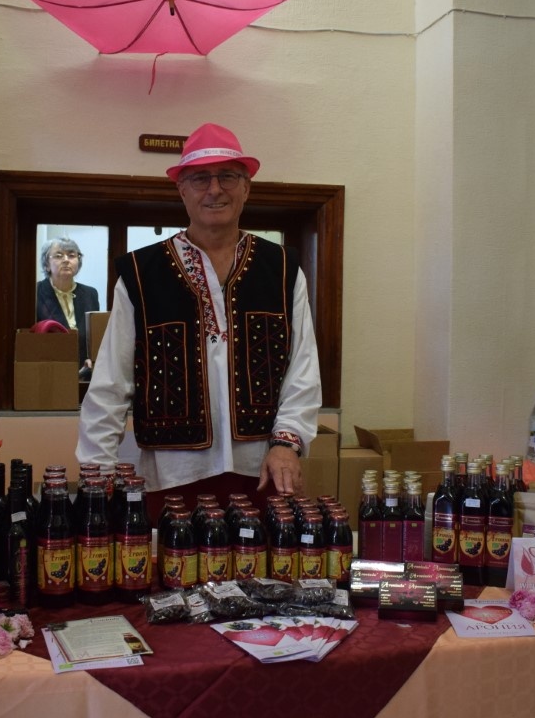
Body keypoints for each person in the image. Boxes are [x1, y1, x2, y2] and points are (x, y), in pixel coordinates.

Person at [77, 123, 321, 514]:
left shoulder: (283, 269)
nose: (215, 189)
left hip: (264, 470)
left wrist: (287, 443)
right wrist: (98, 474)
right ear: (182, 189)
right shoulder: (140, 273)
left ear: (246, 187)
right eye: (200, 178)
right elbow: (110, 382)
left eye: (228, 176)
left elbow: (302, 368)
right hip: (171, 477)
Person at [35, 237, 101, 378]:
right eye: (58, 255)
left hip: (86, 374)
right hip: (49, 372)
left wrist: (93, 359)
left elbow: (95, 335)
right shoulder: (35, 292)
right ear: (46, 265)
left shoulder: (90, 294)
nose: (66, 260)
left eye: (71, 255)